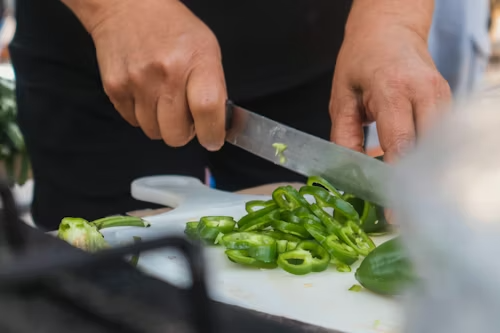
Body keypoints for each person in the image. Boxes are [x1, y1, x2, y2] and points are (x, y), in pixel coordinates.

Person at [10, 0, 451, 230]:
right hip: (102, 57)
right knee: (106, 289)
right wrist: (115, 10)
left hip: (314, 48)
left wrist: (393, 19)